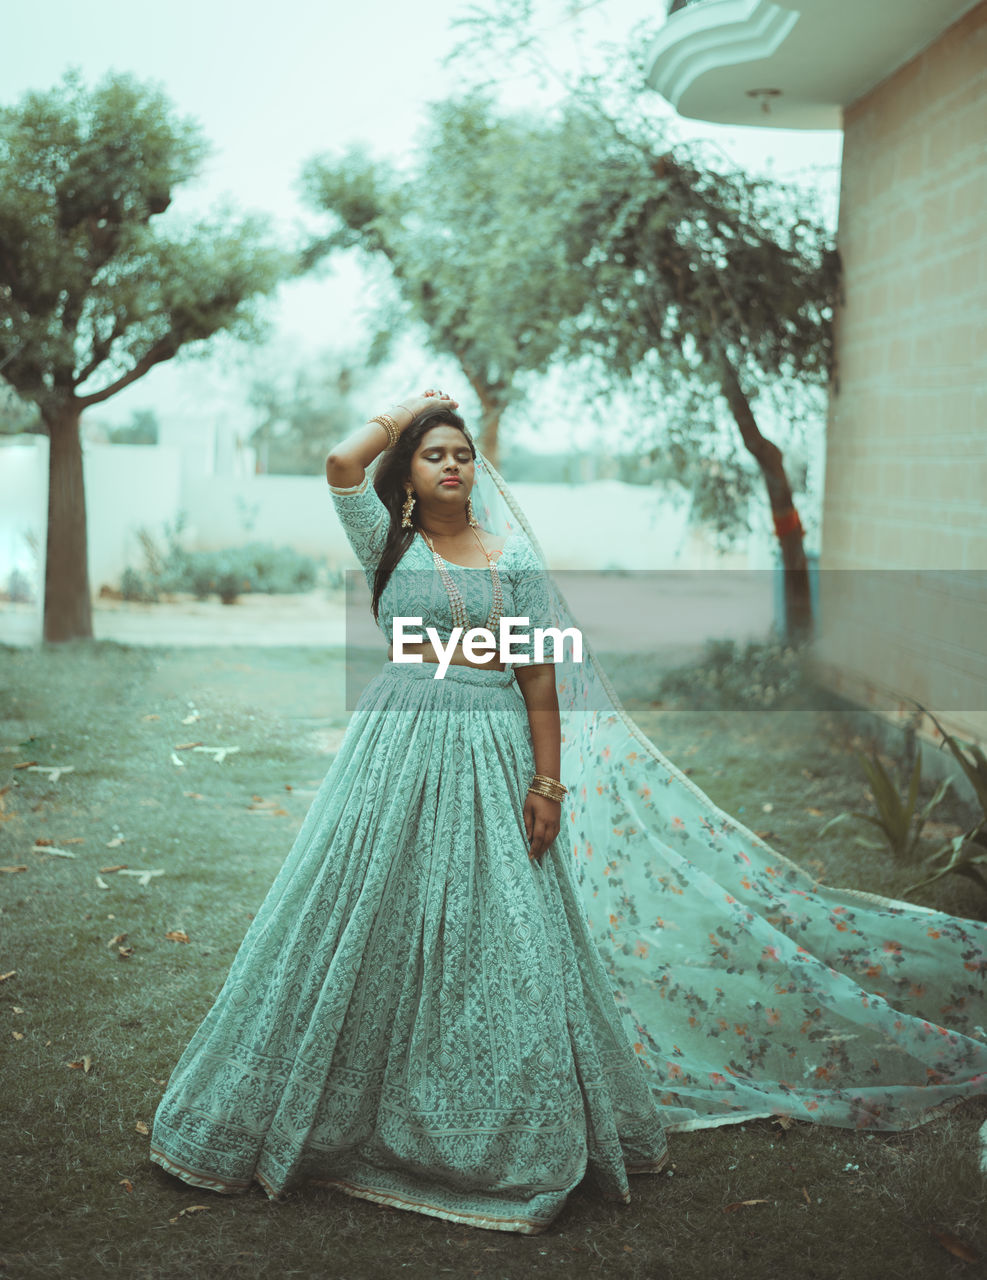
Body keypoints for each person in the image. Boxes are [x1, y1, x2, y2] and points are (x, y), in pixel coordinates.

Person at [150, 391, 987, 1235]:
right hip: (394, 754)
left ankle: (504, 1130)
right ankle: (334, 1107)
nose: (451, 465)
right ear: (404, 473)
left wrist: (546, 786)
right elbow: (338, 465)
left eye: (462, 454)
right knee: (363, 912)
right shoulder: (387, 543)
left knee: (506, 931)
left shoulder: (511, 561)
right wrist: (409, 409)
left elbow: (539, 680)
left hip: (493, 750)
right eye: (433, 454)